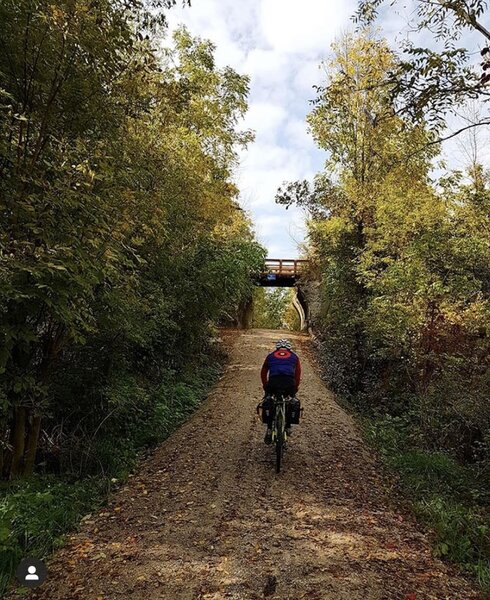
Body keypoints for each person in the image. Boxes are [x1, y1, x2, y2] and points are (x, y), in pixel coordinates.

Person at [260, 339, 301, 444]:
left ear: (277, 348)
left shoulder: (270, 356)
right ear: (289, 348)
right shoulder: (294, 357)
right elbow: (297, 374)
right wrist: (295, 388)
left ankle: (269, 429)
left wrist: (266, 386)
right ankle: (287, 426)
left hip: (273, 382)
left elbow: (263, 372)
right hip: (289, 383)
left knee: (268, 400)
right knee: (290, 400)